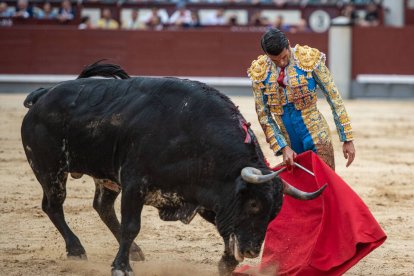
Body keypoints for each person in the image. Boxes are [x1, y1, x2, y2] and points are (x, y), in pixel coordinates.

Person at [247, 28, 355, 170]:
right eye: (275, 60)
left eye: (284, 56)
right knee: (301, 188)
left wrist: (347, 138)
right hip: (289, 141)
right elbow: (264, 116)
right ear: (266, 55)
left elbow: (334, 98)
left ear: (288, 45)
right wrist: (283, 147)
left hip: (317, 134)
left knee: (324, 182)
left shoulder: (309, 59)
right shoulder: (259, 71)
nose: (281, 62)